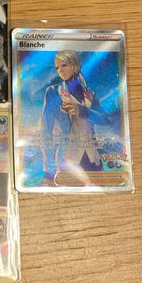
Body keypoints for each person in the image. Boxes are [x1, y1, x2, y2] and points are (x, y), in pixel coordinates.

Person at [41, 50, 110, 185]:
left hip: (93, 160)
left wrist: (82, 110)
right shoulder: (53, 92)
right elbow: (46, 132)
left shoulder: (89, 94)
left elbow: (104, 120)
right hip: (67, 161)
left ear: (74, 65)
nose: (60, 71)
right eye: (57, 68)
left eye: (64, 65)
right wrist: (49, 171)